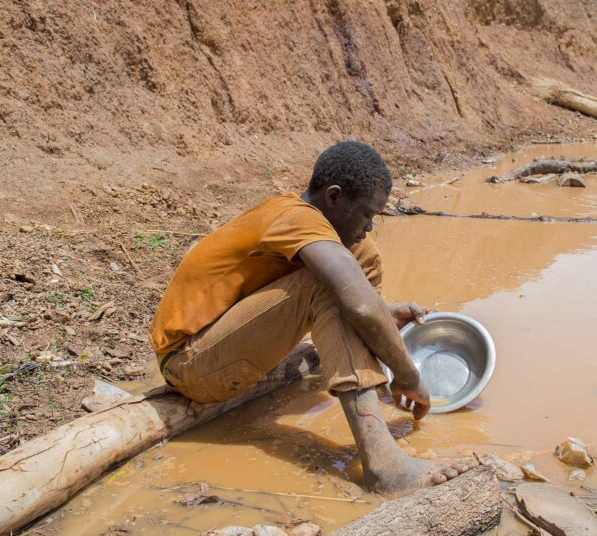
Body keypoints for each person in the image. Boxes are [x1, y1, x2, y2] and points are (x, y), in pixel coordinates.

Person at [148, 141, 475, 496]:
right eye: (367, 214)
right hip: (190, 363)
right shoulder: (294, 218)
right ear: (333, 197)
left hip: (228, 347)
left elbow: (364, 302)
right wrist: (410, 376)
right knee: (333, 288)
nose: (369, 225)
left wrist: (384, 311)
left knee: (358, 258)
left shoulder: (314, 222)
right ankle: (384, 466)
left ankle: (366, 379)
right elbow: (357, 304)